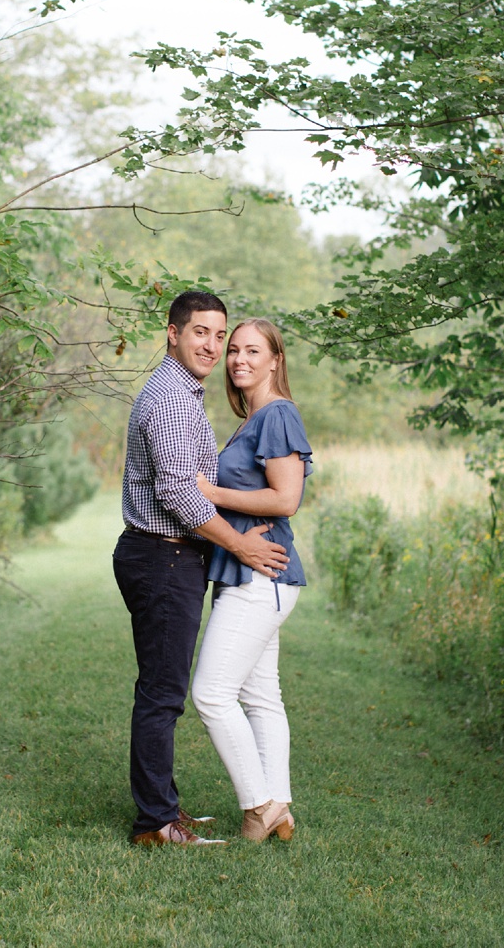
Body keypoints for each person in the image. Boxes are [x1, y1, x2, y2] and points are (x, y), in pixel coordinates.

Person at [114, 290, 289, 848]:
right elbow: (177, 493)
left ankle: (165, 811)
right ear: (173, 332)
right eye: (201, 333)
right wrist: (239, 545)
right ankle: (156, 823)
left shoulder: (184, 395)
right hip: (162, 554)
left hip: (172, 555)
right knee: (164, 694)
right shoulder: (170, 397)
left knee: (165, 690)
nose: (213, 346)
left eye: (221, 336)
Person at [190, 318, 312, 843]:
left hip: (263, 577)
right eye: (232, 349)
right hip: (252, 574)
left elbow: (287, 499)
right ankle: (278, 807)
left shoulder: (278, 415)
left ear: (275, 360)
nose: (238, 359)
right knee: (262, 696)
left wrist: (211, 494)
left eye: (252, 351)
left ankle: (259, 804)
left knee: (212, 694)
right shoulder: (256, 417)